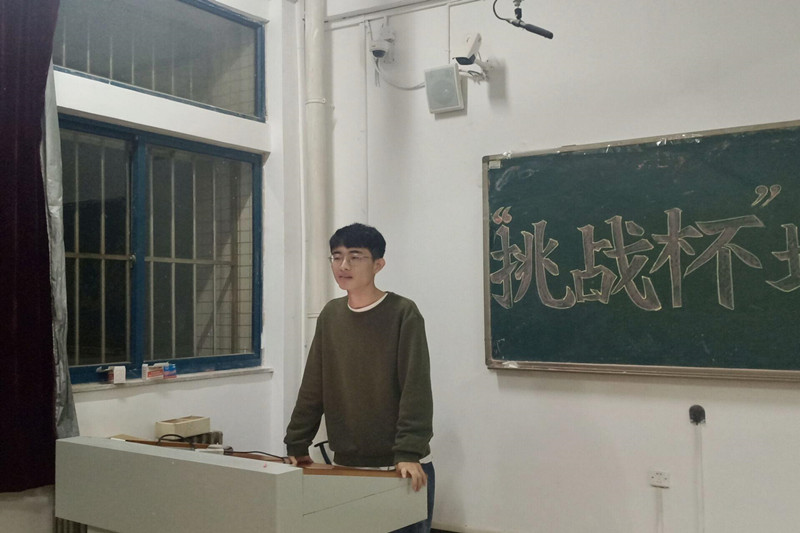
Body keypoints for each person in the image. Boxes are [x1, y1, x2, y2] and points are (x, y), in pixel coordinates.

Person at [284, 223, 434, 533]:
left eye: (355, 256)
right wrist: (297, 443)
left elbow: (415, 388)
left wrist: (408, 452)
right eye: (337, 256)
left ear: (378, 264)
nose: (343, 266)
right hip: (346, 463)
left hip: (398, 464)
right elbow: (313, 385)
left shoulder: (403, 313)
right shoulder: (331, 315)